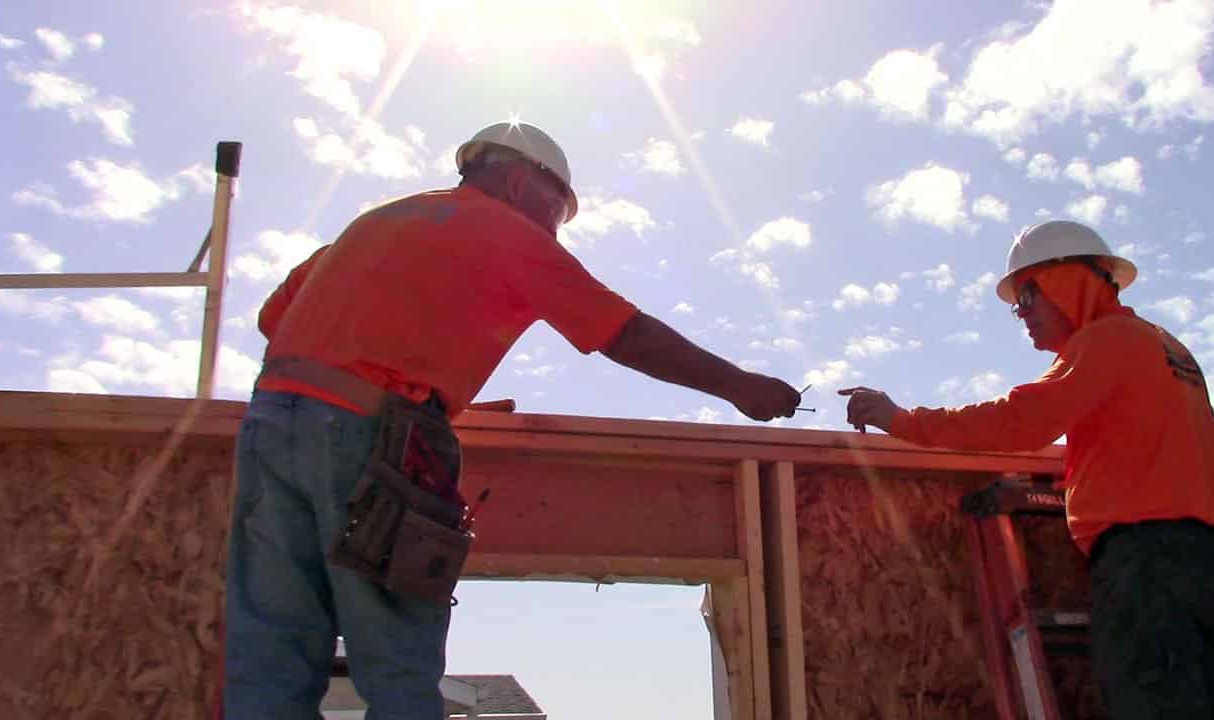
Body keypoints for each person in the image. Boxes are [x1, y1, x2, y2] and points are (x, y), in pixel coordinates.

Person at [222, 120, 805, 719]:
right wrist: (737, 384)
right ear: (525, 182)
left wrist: (421, 380)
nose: (555, 226)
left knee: (273, 650)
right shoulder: (508, 232)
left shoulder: (378, 221)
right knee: (396, 657)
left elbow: (276, 318)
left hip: (271, 424)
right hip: (375, 440)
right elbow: (622, 332)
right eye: (560, 208)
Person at [839, 219, 1214, 719]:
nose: (1022, 316)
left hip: (1149, 564)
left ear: (1067, 282)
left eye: (1028, 298)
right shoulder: (1165, 346)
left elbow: (1019, 421)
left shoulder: (1106, 341)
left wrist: (897, 418)